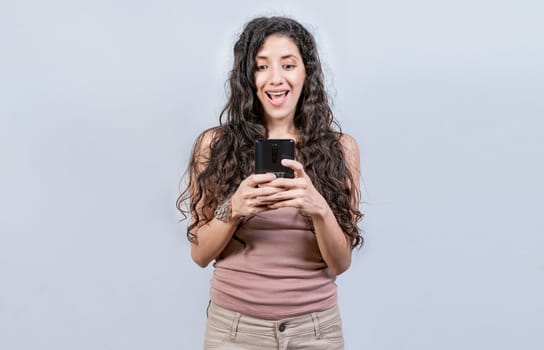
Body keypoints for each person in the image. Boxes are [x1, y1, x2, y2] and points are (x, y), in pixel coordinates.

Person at [177, 16, 363, 350]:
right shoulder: (215, 145)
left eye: (288, 65)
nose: (276, 79)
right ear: (248, 77)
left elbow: (341, 263)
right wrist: (233, 209)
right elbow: (200, 254)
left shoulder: (341, 149)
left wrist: (318, 208)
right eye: (261, 67)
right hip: (233, 331)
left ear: (306, 73)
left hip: (316, 331)